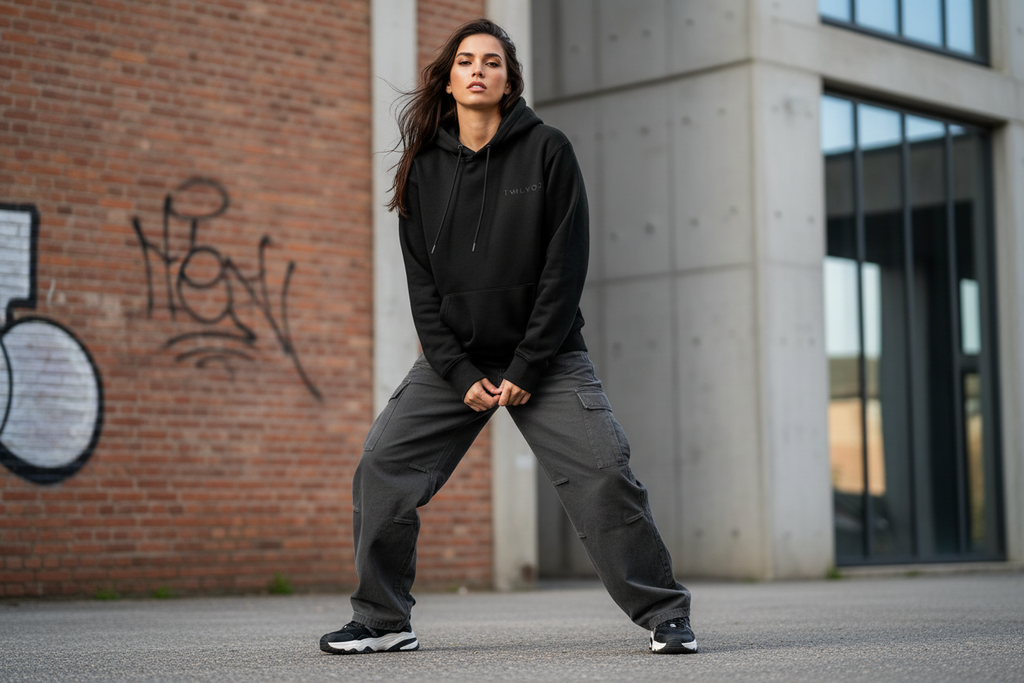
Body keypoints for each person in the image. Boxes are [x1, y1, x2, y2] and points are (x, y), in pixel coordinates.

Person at [320, 18, 696, 656]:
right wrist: (460, 373)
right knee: (382, 466)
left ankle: (665, 615)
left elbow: (565, 266)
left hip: (548, 359)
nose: (477, 70)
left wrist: (529, 360)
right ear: (448, 78)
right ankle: (384, 620)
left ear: (507, 79)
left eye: (491, 62)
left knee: (606, 475)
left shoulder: (547, 149)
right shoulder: (421, 169)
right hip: (455, 363)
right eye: (465, 60)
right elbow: (422, 289)